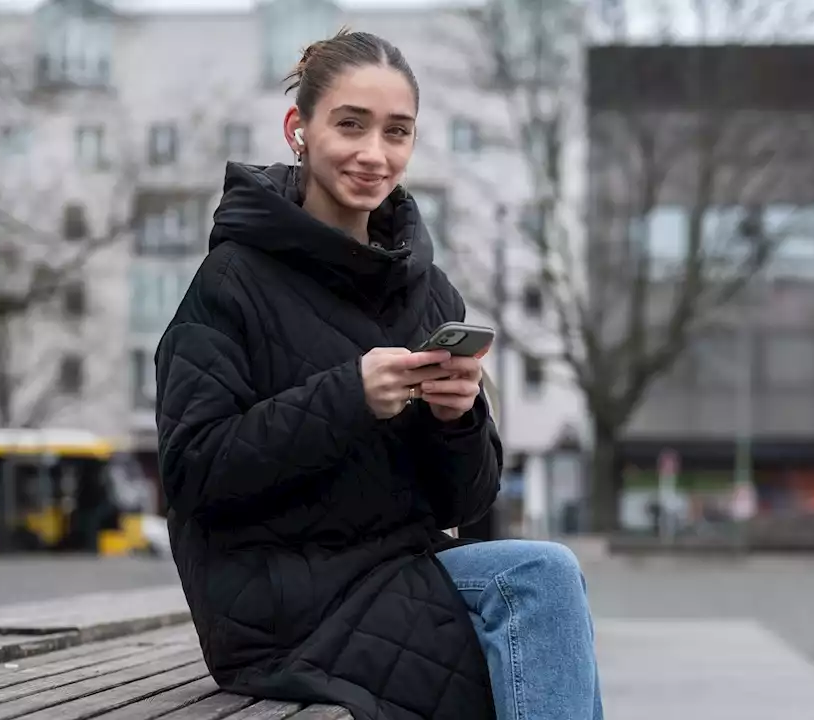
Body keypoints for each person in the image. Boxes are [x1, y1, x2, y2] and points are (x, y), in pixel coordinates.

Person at [155, 29, 604, 720]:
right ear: (298, 129)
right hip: (277, 607)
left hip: (400, 570)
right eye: (350, 125)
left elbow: (464, 504)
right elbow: (191, 473)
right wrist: (348, 396)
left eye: (397, 132)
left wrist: (460, 421)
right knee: (540, 598)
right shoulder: (232, 281)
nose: (374, 154)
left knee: (544, 589)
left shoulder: (430, 293)